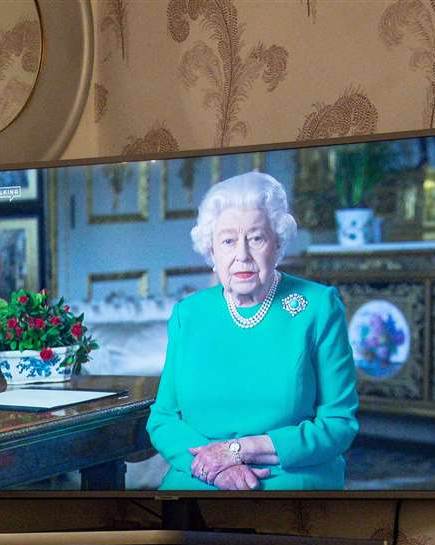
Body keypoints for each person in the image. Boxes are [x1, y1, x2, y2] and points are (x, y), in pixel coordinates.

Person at [145, 171, 359, 491]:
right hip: (199, 475)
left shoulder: (317, 307)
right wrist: (216, 469)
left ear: (277, 244)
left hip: (289, 477)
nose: (242, 255)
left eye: (256, 238)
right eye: (228, 241)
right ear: (211, 252)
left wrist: (237, 451)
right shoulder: (188, 314)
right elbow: (163, 419)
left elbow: (338, 425)